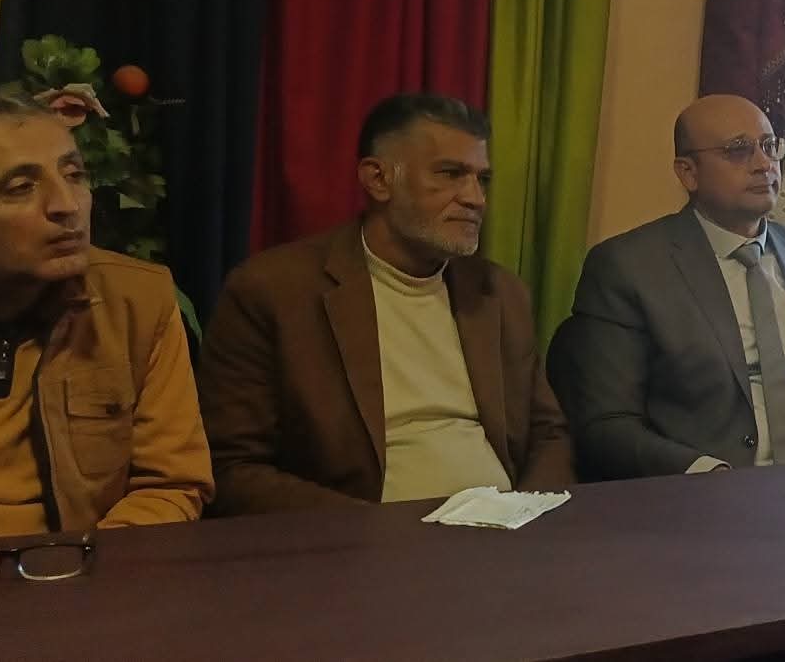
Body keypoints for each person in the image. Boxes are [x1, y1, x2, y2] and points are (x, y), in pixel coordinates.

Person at [199, 94, 574, 514]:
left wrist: (530, 515)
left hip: (503, 533)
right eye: (451, 174)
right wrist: (372, 532)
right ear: (378, 180)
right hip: (361, 537)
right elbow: (232, 467)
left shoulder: (500, 293)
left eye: (482, 179)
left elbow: (548, 433)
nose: (475, 198)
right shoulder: (274, 290)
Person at [549, 95, 785, 480]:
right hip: (708, 489)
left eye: (769, 146)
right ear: (688, 172)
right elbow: (607, 423)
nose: (763, 164)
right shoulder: (630, 267)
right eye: (738, 150)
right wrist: (707, 473)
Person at [0, 95, 212, 540]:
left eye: (74, 175)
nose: (67, 205)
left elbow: (170, 484)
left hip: (88, 565)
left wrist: (86, 569)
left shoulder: (137, 301)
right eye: (20, 187)